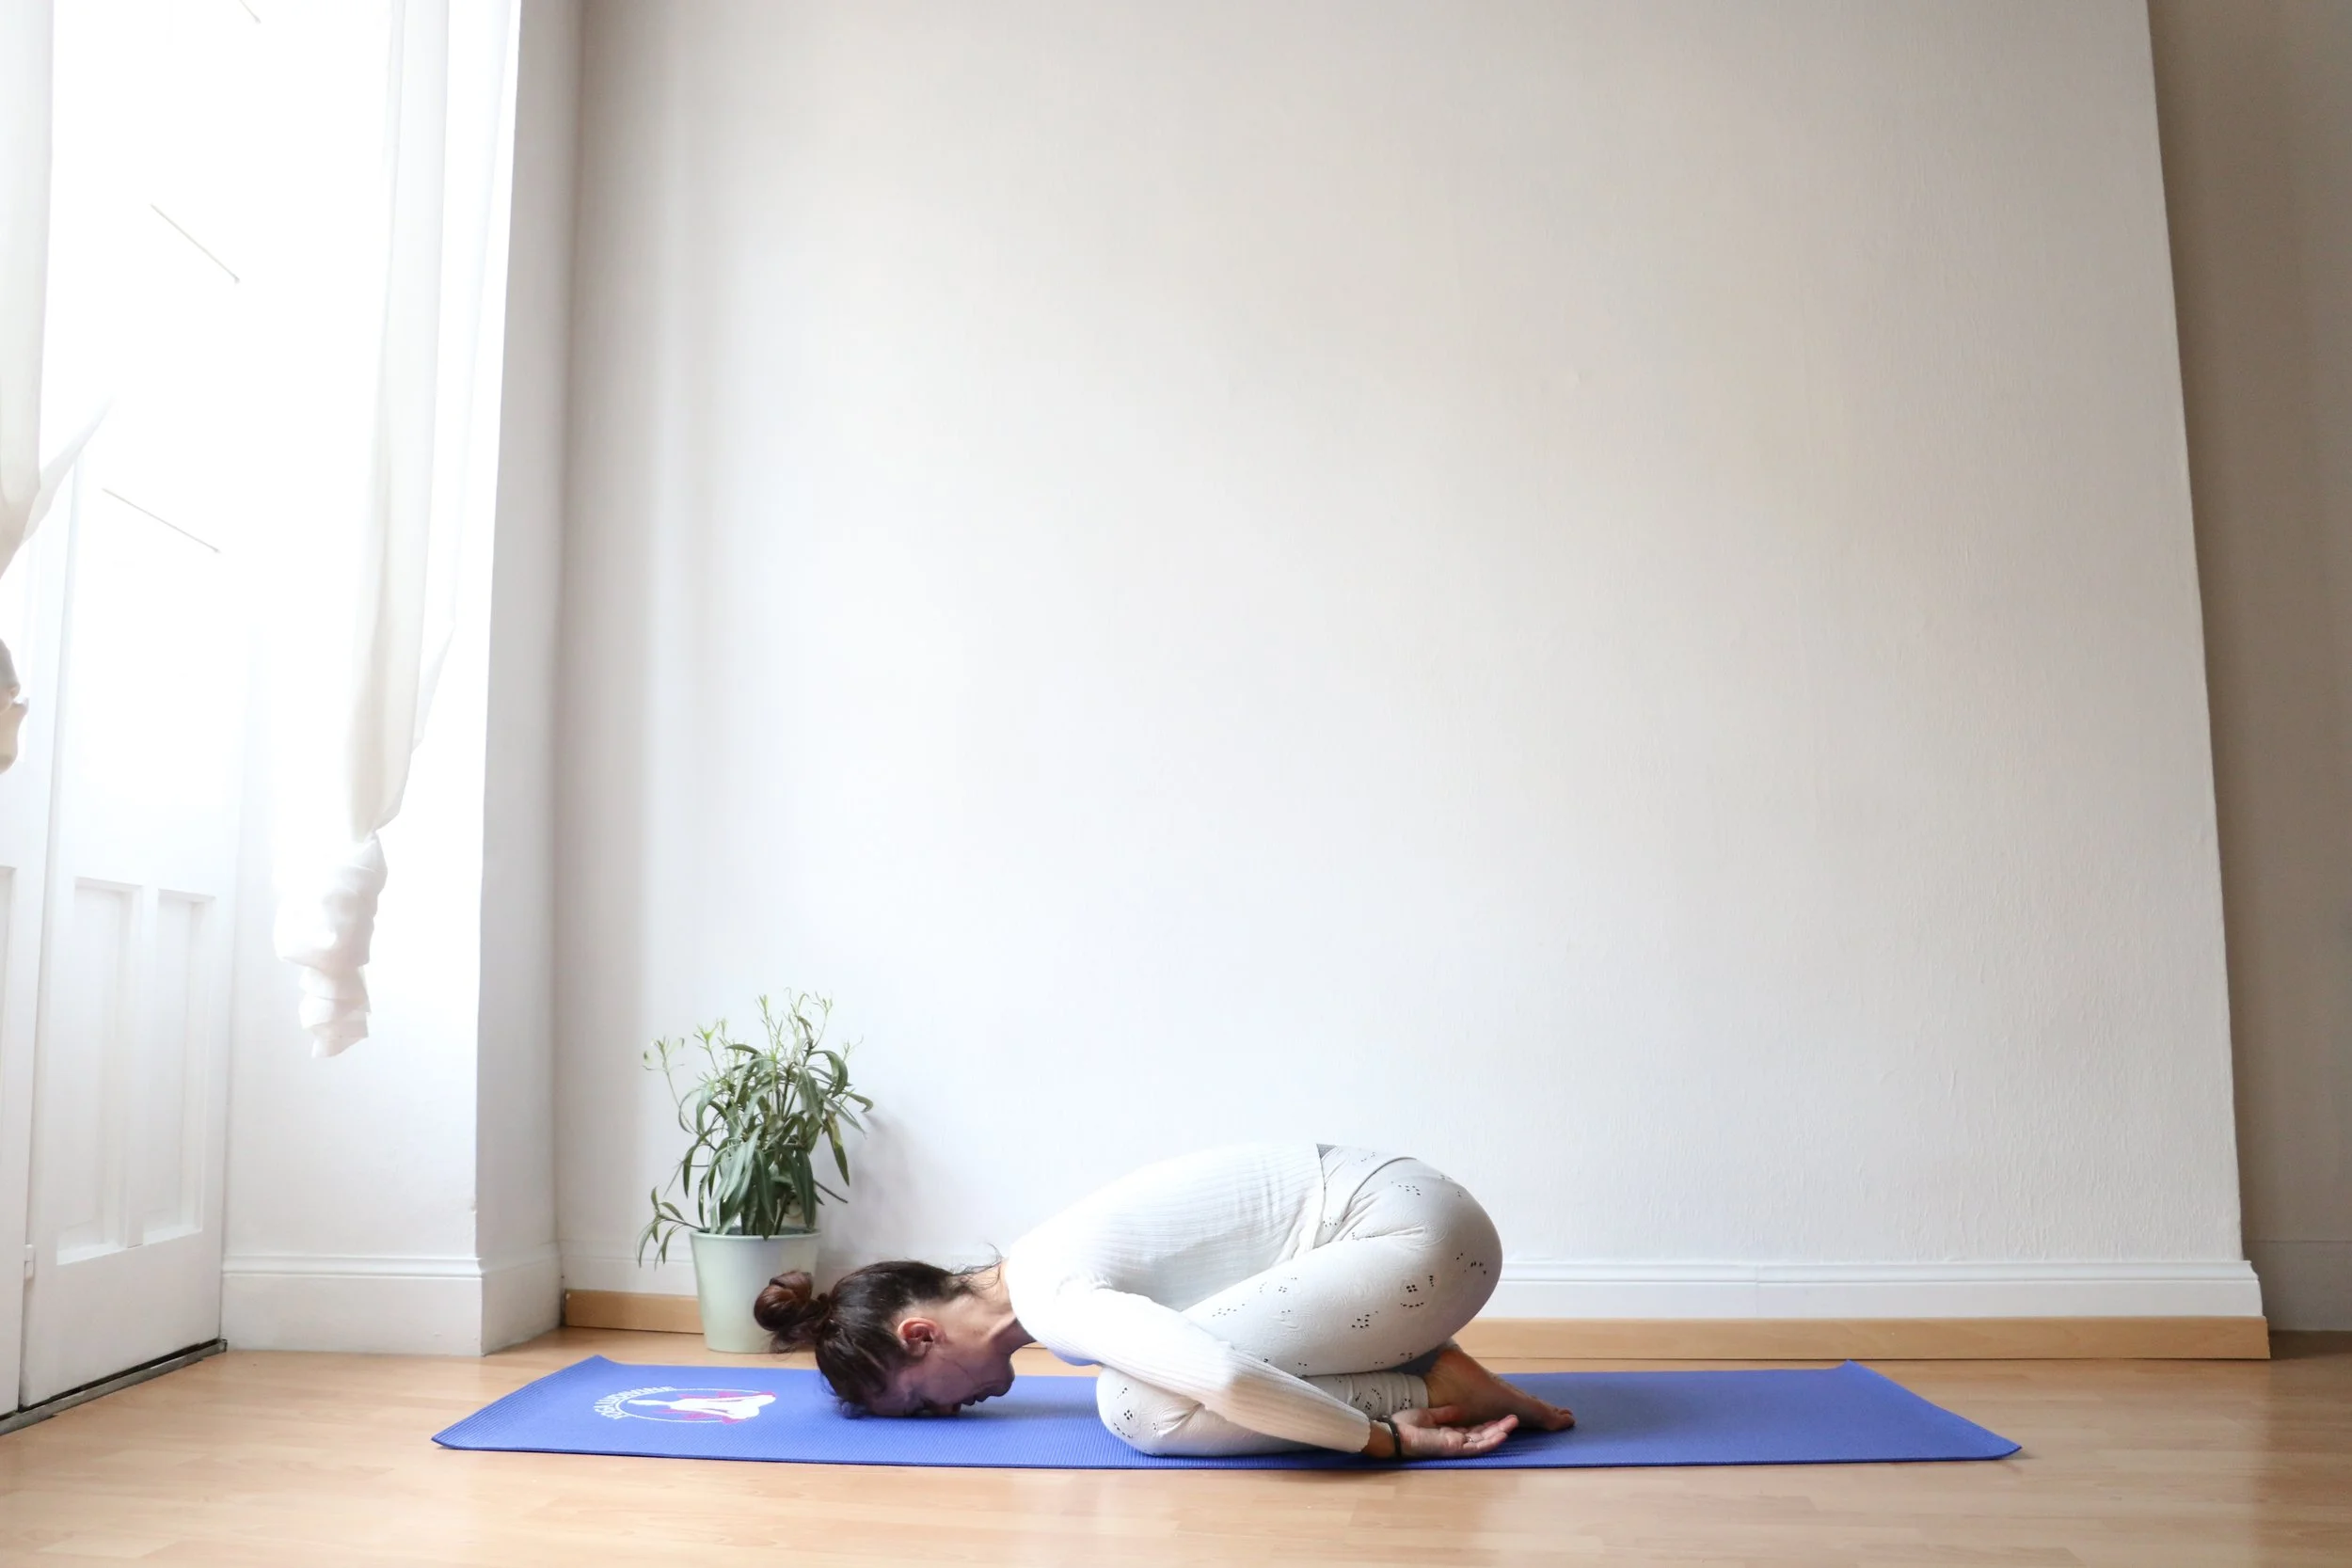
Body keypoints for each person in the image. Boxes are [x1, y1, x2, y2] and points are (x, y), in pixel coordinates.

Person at [754, 1143, 1575, 1460]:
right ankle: (1426, 1365)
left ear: (922, 1333)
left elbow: (1218, 1375)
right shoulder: (1038, 1263)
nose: (948, 1415)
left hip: (1407, 1239)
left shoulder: (1053, 1293)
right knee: (1149, 1375)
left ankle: (1424, 1391)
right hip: (1411, 1227)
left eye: (921, 1407)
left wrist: (1376, 1442)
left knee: (1138, 1404)